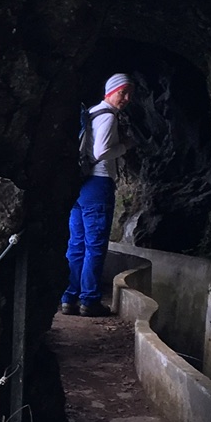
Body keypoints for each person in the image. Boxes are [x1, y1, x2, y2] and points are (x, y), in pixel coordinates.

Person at [61, 73, 132, 317]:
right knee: (95, 245)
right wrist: (125, 145)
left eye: (129, 94)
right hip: (98, 183)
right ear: (110, 92)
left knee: (76, 244)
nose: (126, 98)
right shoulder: (109, 117)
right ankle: (89, 300)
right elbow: (101, 151)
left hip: (79, 184)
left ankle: (69, 297)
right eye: (122, 92)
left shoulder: (91, 113)